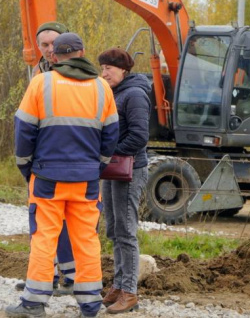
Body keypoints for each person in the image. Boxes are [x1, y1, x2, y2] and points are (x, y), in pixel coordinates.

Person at [8, 32, 119, 318]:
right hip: (86, 180)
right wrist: (95, 168)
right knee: (87, 239)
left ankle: (33, 303)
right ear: (82, 53)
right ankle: (90, 305)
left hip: (47, 178)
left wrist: (26, 168)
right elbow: (111, 136)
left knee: (44, 237)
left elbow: (23, 131)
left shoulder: (41, 83)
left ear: (55, 56)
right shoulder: (102, 88)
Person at [15, 21, 77, 296]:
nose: (50, 49)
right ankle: (45, 276)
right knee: (41, 223)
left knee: (70, 223)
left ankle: (73, 276)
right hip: (43, 161)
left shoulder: (80, 74)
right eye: (45, 44)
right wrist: (27, 162)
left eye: (55, 43)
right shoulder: (38, 73)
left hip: (69, 159)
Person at [97, 48, 151, 314]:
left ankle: (130, 292)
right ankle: (118, 286)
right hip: (113, 169)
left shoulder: (135, 94)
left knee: (126, 231)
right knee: (113, 229)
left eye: (109, 68)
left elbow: (139, 136)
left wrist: (111, 154)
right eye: (102, 68)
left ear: (123, 70)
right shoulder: (115, 92)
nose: (104, 73)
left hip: (129, 170)